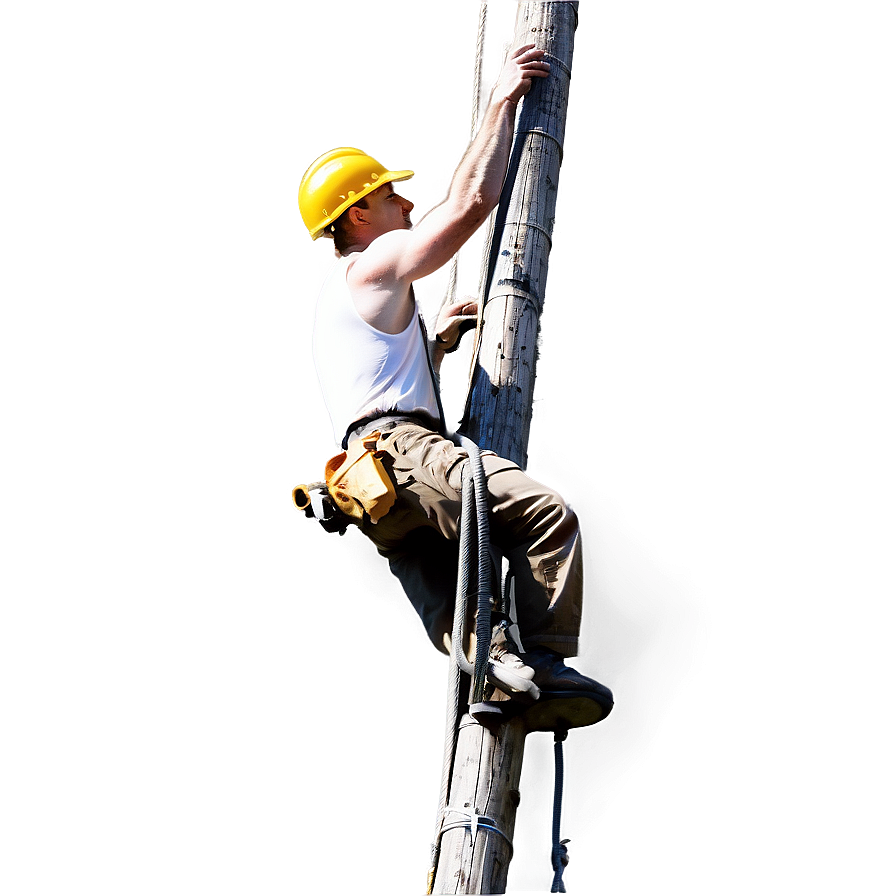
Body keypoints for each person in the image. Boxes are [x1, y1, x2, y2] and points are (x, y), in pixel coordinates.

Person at [297, 45, 607, 705]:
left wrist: (433, 348)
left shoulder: (335, 302)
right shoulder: (374, 262)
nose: (405, 207)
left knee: (463, 615)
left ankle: (498, 677)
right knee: (547, 514)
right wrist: (503, 99)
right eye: (389, 198)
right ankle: (550, 665)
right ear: (357, 217)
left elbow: (371, 394)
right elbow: (471, 204)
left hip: (370, 494)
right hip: (401, 456)